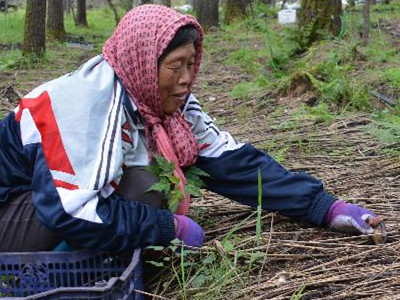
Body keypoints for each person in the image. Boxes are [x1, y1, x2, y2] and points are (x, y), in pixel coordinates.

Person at [0, 5, 383, 252]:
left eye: (190, 64)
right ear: (143, 62)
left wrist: (323, 206)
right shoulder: (85, 106)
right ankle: (56, 277)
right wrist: (167, 227)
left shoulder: (162, 103)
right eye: (175, 65)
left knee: (141, 186)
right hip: (9, 214)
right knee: (145, 188)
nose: (186, 78)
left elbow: (233, 163)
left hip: (40, 207)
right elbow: (69, 211)